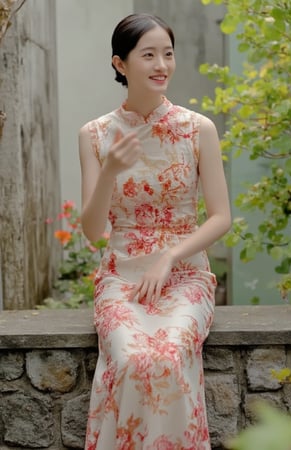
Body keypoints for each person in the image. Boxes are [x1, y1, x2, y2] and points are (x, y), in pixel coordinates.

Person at [79, 12, 231, 450]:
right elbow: (93, 233)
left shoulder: (198, 129)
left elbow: (221, 217)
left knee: (166, 357)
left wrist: (169, 257)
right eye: (148, 55)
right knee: (128, 358)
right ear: (120, 64)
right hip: (121, 278)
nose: (161, 64)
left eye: (167, 54)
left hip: (184, 277)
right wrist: (109, 169)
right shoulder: (94, 135)